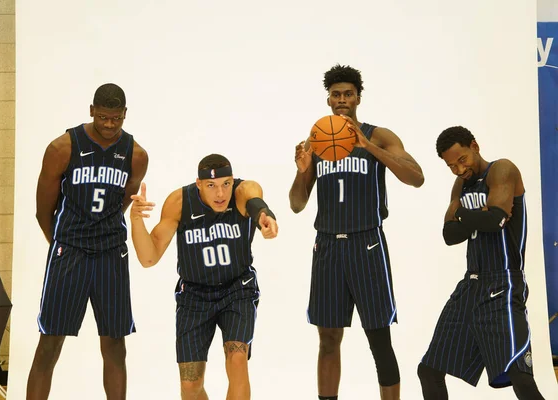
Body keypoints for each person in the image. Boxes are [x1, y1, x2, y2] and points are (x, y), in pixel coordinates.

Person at [289, 64, 425, 400]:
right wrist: (302, 172)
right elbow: (296, 203)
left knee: (378, 337)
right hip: (328, 246)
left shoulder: (379, 135)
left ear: (358, 98)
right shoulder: (316, 139)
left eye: (348, 93)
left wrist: (368, 147)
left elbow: (416, 176)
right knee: (329, 338)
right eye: (336, 94)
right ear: (328, 100)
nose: (342, 99)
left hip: (367, 243)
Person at [26, 83, 149, 400]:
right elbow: (43, 211)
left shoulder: (136, 155)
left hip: (111, 253)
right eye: (104, 117)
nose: (110, 125)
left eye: (116, 119)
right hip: (71, 252)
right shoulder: (62, 148)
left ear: (125, 115)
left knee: (115, 344)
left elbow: (121, 201)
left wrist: (102, 231)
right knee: (50, 342)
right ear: (92, 110)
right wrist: (64, 244)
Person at [129, 154, 278, 400]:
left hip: (237, 289)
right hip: (194, 296)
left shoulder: (243, 191)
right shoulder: (180, 202)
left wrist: (265, 215)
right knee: (190, 385)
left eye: (225, 184)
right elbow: (149, 258)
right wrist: (136, 219)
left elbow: (255, 202)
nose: (220, 193)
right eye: (211, 186)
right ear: (198, 184)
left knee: (238, 359)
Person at [417, 126, 546, 400]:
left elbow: (495, 220)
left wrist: (465, 214)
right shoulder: (461, 184)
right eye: (451, 166)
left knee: (521, 378)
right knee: (429, 370)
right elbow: (449, 235)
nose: (458, 169)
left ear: (474, 145)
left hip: (503, 283)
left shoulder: (502, 170)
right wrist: (479, 214)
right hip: (470, 284)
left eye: (462, 160)